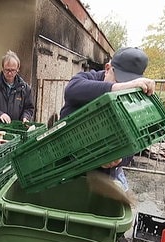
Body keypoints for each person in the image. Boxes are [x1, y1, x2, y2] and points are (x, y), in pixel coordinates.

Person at [57, 47, 156, 191]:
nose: (126, 90)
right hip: (73, 168)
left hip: (107, 176)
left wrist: (120, 159)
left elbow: (135, 143)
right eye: (121, 80)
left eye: (131, 84)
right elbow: (72, 90)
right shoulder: (87, 79)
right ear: (108, 68)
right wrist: (119, 87)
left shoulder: (132, 100)